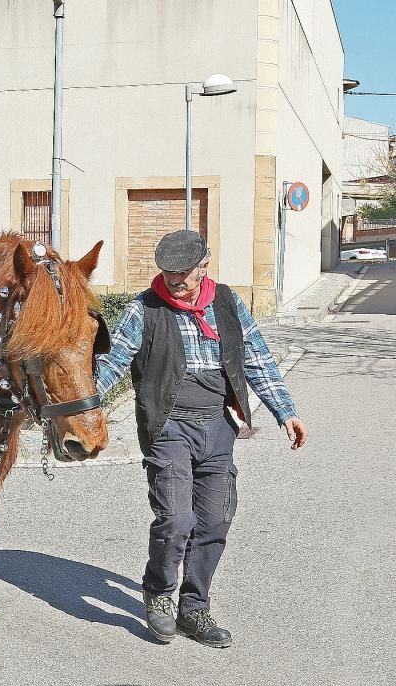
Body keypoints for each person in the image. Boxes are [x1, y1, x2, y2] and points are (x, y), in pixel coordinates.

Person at [95, 229, 308, 649]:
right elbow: (112, 362)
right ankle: (158, 592)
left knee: (214, 520)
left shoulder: (227, 302)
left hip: (217, 425)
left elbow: (257, 359)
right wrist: (78, 413)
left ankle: (194, 608)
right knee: (176, 519)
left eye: (184, 273)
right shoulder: (143, 309)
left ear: (204, 264)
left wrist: (286, 411)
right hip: (168, 424)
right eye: (168, 273)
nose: (175, 280)